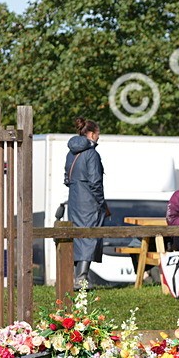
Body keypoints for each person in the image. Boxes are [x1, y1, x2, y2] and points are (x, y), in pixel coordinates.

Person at [65, 116, 111, 287]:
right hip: (89, 202)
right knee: (90, 237)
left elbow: (66, 177)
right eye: (98, 134)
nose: (98, 137)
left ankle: (76, 277)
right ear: (91, 134)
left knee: (78, 237)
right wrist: (102, 204)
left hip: (74, 200)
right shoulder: (91, 154)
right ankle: (81, 278)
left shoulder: (71, 154)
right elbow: (95, 182)